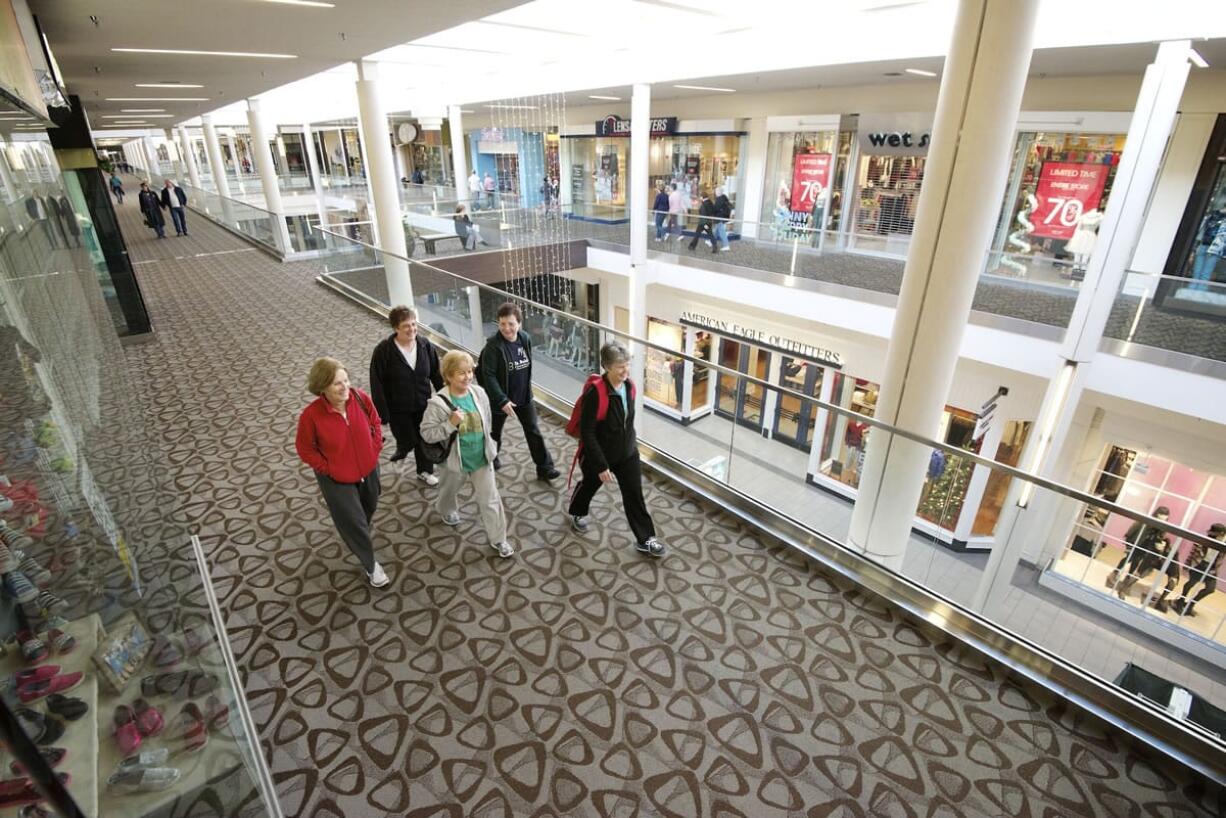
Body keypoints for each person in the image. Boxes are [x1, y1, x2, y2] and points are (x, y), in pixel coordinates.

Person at [294, 357, 389, 588]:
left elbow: (375, 421)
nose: (345, 386)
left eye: (346, 380)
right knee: (353, 521)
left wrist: (375, 448)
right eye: (337, 383)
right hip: (337, 478)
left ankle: (358, 533)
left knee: (370, 505)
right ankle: (371, 565)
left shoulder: (359, 397)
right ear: (322, 387)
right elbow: (305, 449)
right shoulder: (311, 416)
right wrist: (328, 468)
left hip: (368, 467)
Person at [567, 340, 665, 558]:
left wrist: (631, 445)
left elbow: (627, 420)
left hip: (627, 453)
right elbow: (588, 433)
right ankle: (576, 511)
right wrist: (601, 465)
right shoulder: (596, 393)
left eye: (627, 365)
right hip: (600, 456)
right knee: (590, 485)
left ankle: (645, 538)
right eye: (620, 366)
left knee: (634, 495)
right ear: (607, 367)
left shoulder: (629, 386)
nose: (625, 370)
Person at [420, 351, 514, 559]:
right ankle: (445, 509)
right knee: (448, 491)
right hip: (454, 461)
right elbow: (426, 433)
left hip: (481, 457)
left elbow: (487, 421)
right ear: (449, 376)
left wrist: (489, 445)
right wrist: (449, 424)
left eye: (470, 371)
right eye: (461, 373)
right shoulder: (438, 403)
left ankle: (499, 539)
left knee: (490, 499)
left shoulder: (479, 393)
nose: (467, 376)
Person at [478, 302, 560, 481]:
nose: (506, 328)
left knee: (533, 431)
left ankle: (545, 467)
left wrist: (527, 391)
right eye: (502, 324)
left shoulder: (524, 338)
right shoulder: (493, 346)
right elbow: (489, 375)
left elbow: (527, 366)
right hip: (500, 399)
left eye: (511, 324)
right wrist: (501, 400)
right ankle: (491, 459)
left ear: (519, 324)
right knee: (494, 434)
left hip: (523, 396)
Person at [369, 305, 444, 485]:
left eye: (413, 324)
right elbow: (376, 382)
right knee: (407, 438)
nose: (412, 329)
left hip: (423, 403)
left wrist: (445, 397)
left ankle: (425, 471)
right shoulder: (384, 350)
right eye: (406, 326)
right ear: (396, 328)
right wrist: (382, 413)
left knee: (424, 437)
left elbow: (435, 373)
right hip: (397, 406)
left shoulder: (425, 345)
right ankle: (401, 452)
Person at [1106, 506, 1169, 589]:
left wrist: (1161, 540)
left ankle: (1127, 579)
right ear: (1157, 513)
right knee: (1129, 558)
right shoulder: (1147, 520)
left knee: (1136, 561)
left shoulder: (1163, 526)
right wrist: (1128, 539)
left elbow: (1161, 537)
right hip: (1136, 542)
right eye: (1162, 514)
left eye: (1165, 515)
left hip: (1146, 546)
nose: (1163, 517)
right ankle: (1114, 573)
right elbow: (1135, 527)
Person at [1171, 523, 1225, 617]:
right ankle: (1180, 601)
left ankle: (1190, 604)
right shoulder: (1202, 542)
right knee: (1191, 583)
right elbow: (1193, 554)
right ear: (1215, 534)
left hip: (1212, 569)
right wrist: (1187, 566)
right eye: (1221, 535)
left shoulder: (1223, 545)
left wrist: (1215, 569)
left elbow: (1220, 559)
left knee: (1210, 589)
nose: (1223, 537)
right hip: (1199, 565)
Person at [713, 186, 733, 252]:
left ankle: (726, 245)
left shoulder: (719, 199)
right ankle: (711, 241)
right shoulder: (724, 197)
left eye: (716, 191)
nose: (715, 192)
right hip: (724, 217)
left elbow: (715, 209)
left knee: (721, 231)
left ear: (718, 192)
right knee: (716, 230)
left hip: (720, 217)